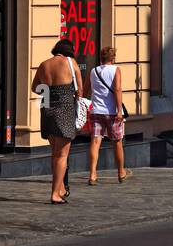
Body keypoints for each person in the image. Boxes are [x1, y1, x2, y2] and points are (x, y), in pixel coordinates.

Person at [31, 40, 83, 204]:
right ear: (70, 50)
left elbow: (35, 88)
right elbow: (80, 90)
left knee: (55, 153)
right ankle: (55, 193)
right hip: (64, 110)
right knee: (62, 155)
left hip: (47, 109)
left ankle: (60, 188)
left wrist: (50, 92)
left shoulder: (44, 64)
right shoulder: (70, 62)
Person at [86, 47, 130, 185]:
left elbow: (86, 89)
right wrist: (119, 110)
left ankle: (93, 174)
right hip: (111, 112)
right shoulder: (115, 70)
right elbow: (117, 89)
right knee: (117, 142)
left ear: (101, 58)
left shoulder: (93, 71)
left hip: (96, 111)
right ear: (113, 58)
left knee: (95, 141)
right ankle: (121, 172)